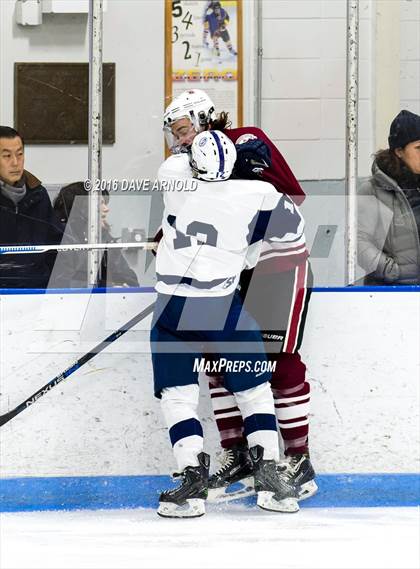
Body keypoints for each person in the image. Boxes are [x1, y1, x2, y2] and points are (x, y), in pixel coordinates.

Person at [162, 89, 317, 502]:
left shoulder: (248, 139)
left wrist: (241, 177)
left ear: (203, 119)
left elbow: (292, 195)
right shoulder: (187, 168)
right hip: (229, 274)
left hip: (276, 268)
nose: (178, 140)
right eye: (173, 132)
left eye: (182, 129)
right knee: (216, 358)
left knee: (279, 361)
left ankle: (298, 461)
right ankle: (243, 457)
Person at [358, 110, 420, 285]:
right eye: (419, 148)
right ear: (399, 151)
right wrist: (391, 271)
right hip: (388, 294)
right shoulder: (372, 190)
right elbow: (359, 242)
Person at [0, 126, 63, 289]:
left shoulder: (38, 194)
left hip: (36, 293)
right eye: (6, 156)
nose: (15, 162)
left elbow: (55, 245)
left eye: (20, 154)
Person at [51, 182, 139, 288]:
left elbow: (130, 280)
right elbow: (61, 284)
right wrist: (108, 288)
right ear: (82, 208)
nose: (106, 209)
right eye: (100, 203)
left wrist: (124, 287)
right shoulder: (61, 238)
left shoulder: (103, 237)